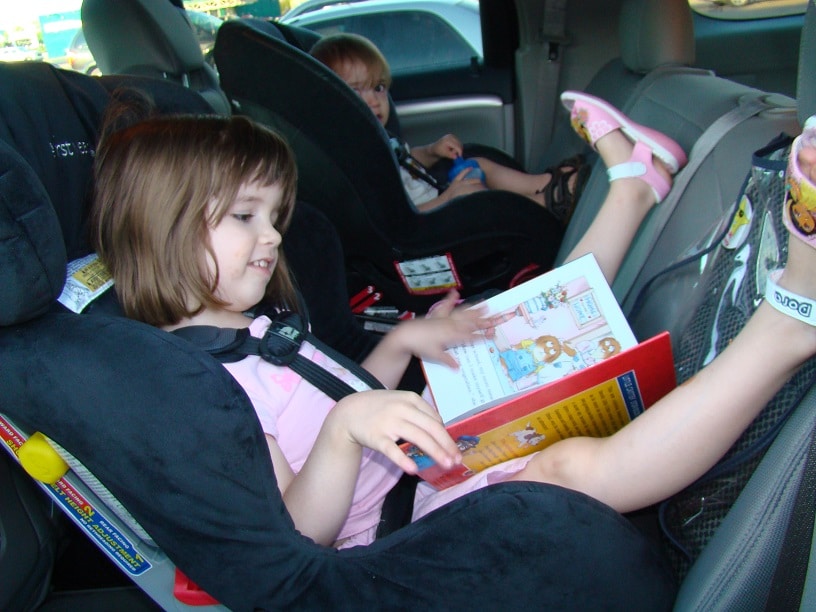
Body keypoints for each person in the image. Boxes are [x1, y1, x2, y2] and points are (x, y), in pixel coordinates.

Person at [91, 89, 816, 551]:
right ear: (169, 231)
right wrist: (352, 430)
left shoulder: (242, 330)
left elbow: (322, 396)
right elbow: (300, 532)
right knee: (567, 468)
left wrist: (402, 342)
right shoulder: (197, 390)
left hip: (418, 456)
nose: (275, 237)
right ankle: (788, 326)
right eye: (247, 218)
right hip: (407, 520)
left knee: (504, 328)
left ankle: (631, 189)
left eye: (273, 216)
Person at [309, 33, 589, 221]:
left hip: (435, 197)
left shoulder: (377, 139)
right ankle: (544, 208)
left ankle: (543, 184)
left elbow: (405, 161)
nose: (374, 101)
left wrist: (432, 150)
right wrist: (449, 198)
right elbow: (394, 221)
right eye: (357, 91)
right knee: (474, 196)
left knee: (476, 163)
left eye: (379, 88)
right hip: (423, 224)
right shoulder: (351, 162)